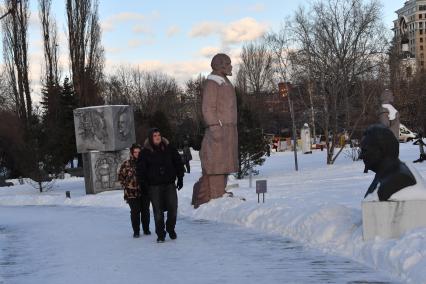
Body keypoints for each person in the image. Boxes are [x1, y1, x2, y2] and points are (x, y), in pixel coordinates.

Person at [192, 53, 239, 209]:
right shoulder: (213, 83)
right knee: (217, 164)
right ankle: (214, 194)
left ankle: (221, 191)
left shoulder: (224, 81)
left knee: (225, 162)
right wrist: (214, 127)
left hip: (228, 128)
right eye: (228, 63)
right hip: (219, 128)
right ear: (220, 65)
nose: (231, 66)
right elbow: (208, 108)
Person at [136, 128, 184, 243]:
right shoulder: (145, 152)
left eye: (159, 135)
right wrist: (143, 185)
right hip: (154, 186)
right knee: (158, 212)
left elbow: (178, 162)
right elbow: (141, 170)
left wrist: (180, 177)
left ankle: (170, 228)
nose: (157, 137)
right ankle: (160, 234)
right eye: (155, 135)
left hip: (169, 184)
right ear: (151, 138)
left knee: (173, 209)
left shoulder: (169, 148)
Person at [360, 124, 416, 201]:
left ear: (382, 150)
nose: (360, 156)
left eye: (365, 150)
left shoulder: (397, 179)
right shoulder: (384, 173)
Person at [118, 143, 151, 238]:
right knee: (135, 211)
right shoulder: (127, 164)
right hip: (131, 193)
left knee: (145, 211)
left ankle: (146, 229)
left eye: (138, 152)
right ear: (132, 153)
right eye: (135, 152)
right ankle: (136, 231)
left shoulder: (146, 162)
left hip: (144, 191)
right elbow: (120, 177)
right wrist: (127, 185)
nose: (137, 154)